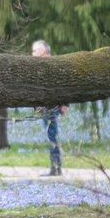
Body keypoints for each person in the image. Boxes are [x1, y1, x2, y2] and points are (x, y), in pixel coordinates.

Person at [32, 39, 67, 176]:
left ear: (42, 51)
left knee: (52, 136)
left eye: (34, 51)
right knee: (51, 136)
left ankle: (56, 167)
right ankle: (55, 167)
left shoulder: (52, 65)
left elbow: (62, 85)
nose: (33, 54)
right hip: (44, 107)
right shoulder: (39, 66)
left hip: (52, 106)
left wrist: (64, 103)